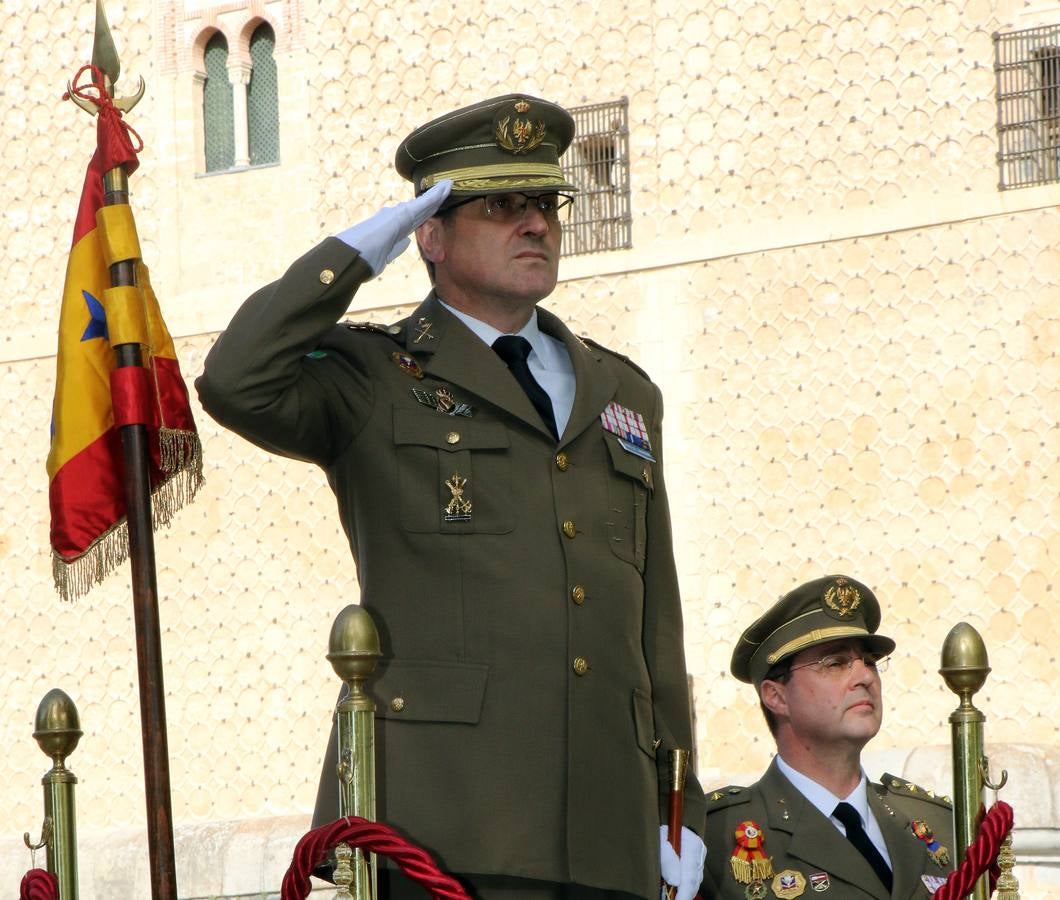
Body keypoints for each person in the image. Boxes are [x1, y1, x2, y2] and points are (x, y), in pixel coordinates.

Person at [196, 93, 705, 900]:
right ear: (429, 233)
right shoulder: (376, 379)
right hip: (446, 825)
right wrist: (362, 250)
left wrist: (682, 815)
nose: (535, 223)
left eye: (545, 203)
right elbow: (235, 378)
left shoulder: (624, 393)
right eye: (500, 206)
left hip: (610, 835)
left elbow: (656, 629)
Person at [700, 575, 955, 899]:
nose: (865, 676)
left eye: (870, 662)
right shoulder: (717, 838)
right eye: (835, 663)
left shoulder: (936, 824)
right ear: (776, 697)